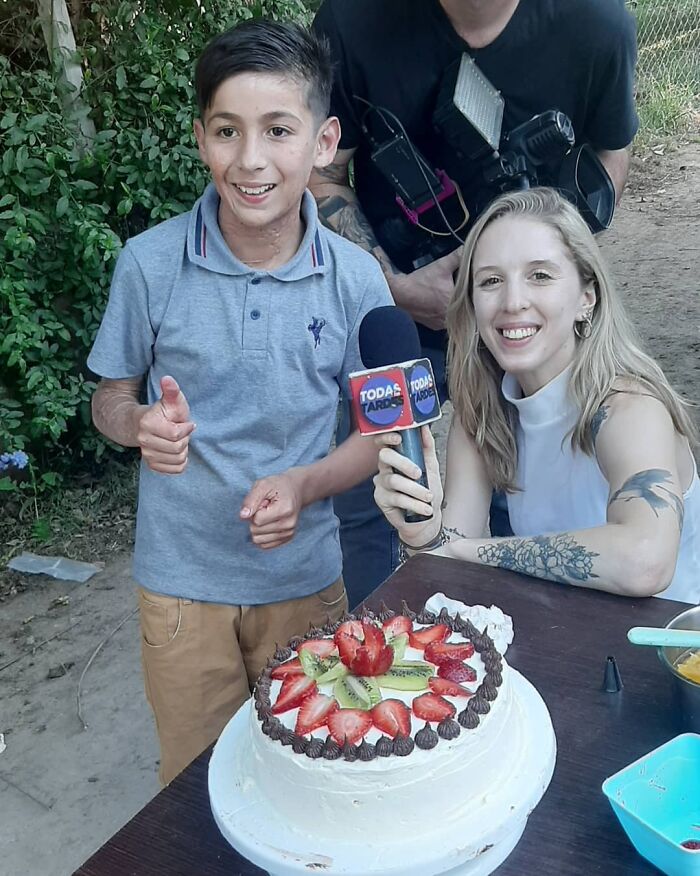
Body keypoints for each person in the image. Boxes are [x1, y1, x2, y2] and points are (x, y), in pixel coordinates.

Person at [87, 20, 392, 785]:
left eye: (278, 130)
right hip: (180, 590)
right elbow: (110, 397)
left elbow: (379, 434)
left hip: (306, 583)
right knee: (196, 786)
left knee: (317, 773)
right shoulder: (149, 265)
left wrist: (304, 485)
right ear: (201, 139)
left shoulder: (357, 279)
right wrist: (138, 425)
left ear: (323, 143)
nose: (250, 159)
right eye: (228, 131)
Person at [310, 0, 640, 603]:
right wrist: (397, 287)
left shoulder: (596, 23)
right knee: (382, 503)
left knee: (537, 502)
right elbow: (324, 173)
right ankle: (387, 646)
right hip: (400, 325)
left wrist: (538, 284)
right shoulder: (352, 21)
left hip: (531, 339)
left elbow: (609, 159)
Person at [373, 187, 699, 602]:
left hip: (670, 642)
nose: (513, 302)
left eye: (540, 275)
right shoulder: (482, 414)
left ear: (587, 298)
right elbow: (446, 567)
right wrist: (422, 534)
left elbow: (645, 561)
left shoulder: (629, 410)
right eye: (491, 281)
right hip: (563, 634)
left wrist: (469, 552)